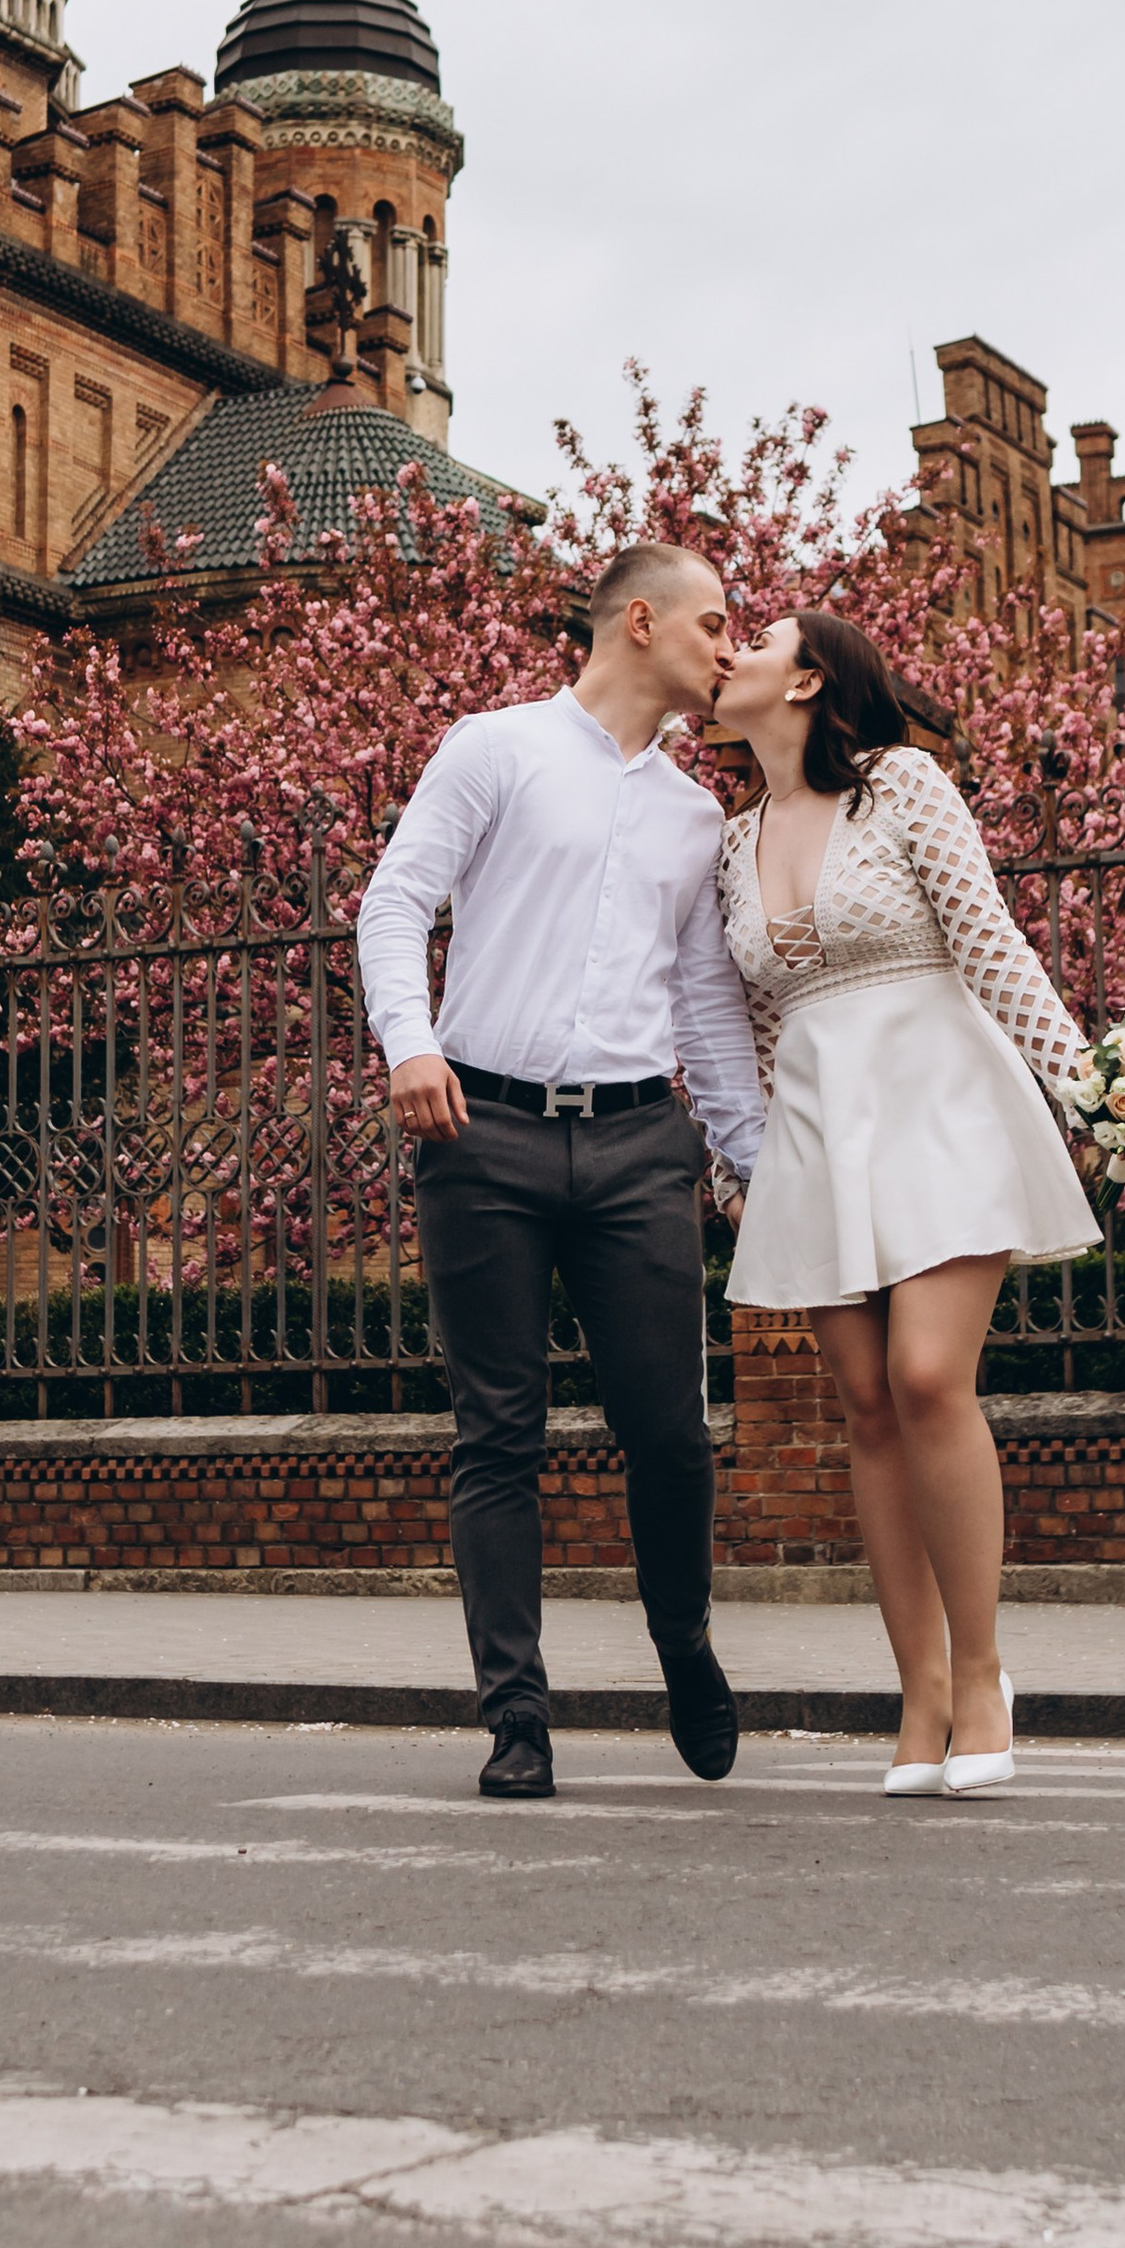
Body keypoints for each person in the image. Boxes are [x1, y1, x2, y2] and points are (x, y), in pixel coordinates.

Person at [357, 545, 768, 1800]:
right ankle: (517, 1716)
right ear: (640, 621)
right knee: (499, 1432)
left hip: (641, 1144)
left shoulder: (695, 818)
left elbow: (704, 1003)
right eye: (714, 623)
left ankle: (683, 1645)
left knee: (670, 1432)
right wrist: (411, 1044)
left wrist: (753, 1160)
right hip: (482, 1131)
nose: (730, 647)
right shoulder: (494, 749)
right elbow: (394, 902)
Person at [714, 608, 1096, 1797]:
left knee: (929, 1378)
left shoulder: (902, 785)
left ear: (807, 679)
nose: (727, 652)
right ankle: (919, 1692)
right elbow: (758, 1024)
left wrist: (1094, 1088)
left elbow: (990, 944)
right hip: (817, 1132)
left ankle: (981, 1676)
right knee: (868, 1408)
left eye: (754, 639)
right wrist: (748, 1163)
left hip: (939, 1103)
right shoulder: (730, 841)